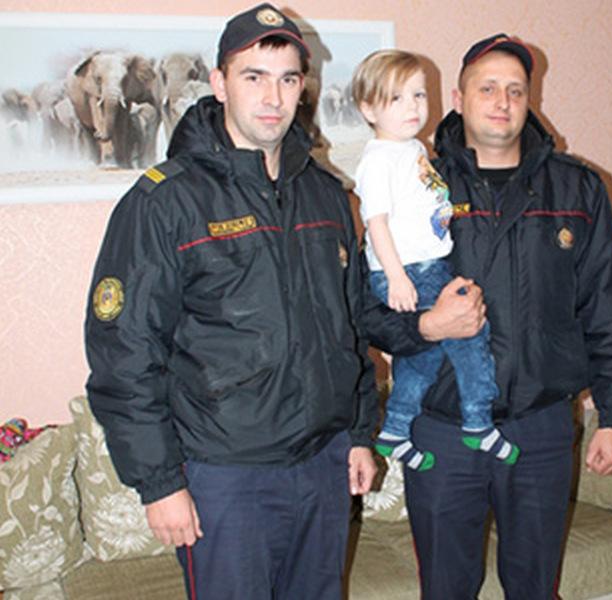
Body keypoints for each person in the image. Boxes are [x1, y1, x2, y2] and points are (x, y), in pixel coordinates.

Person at [84, 4, 378, 599]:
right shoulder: (165, 202)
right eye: (254, 76)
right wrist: (160, 483)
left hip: (323, 465)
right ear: (219, 83)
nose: (273, 96)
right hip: (225, 477)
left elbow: (349, 327)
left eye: (288, 79)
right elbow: (125, 353)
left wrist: (358, 433)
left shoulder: (326, 196)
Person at [360, 34, 612, 599]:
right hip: (441, 433)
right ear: (459, 99)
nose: (503, 101)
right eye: (487, 88)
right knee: (446, 588)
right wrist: (425, 327)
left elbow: (611, 308)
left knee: (535, 588)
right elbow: (368, 311)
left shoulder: (576, 188)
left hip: (540, 430)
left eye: (516, 90)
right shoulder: (417, 182)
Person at [351, 49, 519, 472]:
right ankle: (478, 422)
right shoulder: (378, 159)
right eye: (396, 98)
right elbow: (375, 223)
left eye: (418, 95)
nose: (412, 107)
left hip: (429, 265)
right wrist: (396, 278)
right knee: (471, 337)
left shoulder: (411, 149)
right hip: (411, 270)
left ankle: (394, 431)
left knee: (422, 357)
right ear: (368, 108)